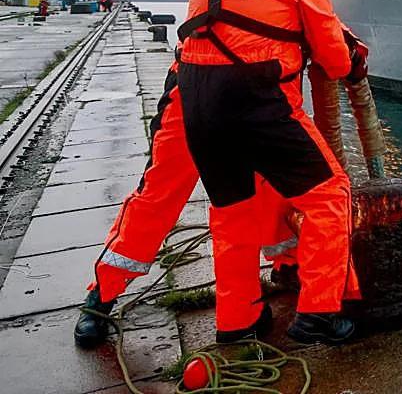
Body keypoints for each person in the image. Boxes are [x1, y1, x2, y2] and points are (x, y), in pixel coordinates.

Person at [175, 0, 364, 345]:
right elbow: (334, 59)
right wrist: (348, 61)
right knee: (330, 197)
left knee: (231, 211)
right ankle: (319, 313)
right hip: (256, 97)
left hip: (197, 98)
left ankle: (237, 320)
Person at [72, 61, 307, 347]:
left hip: (262, 86)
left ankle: (288, 266)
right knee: (159, 192)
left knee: (272, 183)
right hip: (196, 82)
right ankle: (103, 293)